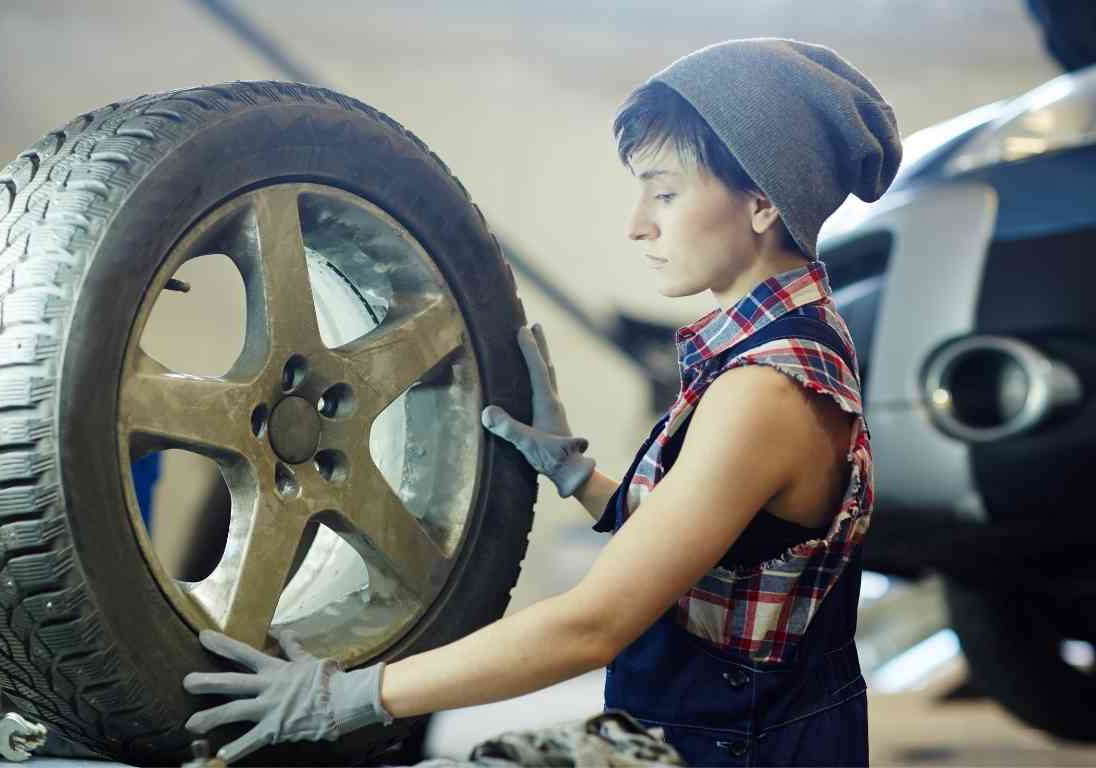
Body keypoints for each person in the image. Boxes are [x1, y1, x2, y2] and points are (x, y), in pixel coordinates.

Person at [181, 38, 902, 766]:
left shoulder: (766, 391)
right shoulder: (782, 347)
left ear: (762, 204)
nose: (637, 224)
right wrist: (579, 479)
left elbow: (592, 626)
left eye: (665, 192)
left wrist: (348, 697)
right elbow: (727, 558)